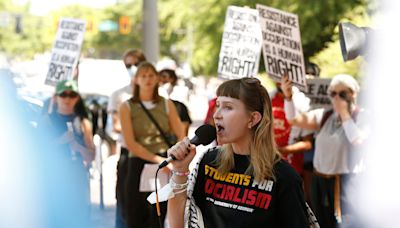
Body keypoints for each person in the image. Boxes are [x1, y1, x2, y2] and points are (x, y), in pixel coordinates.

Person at [167, 77, 317, 227]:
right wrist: (180, 171)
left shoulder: (284, 177)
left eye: (228, 107)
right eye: (217, 105)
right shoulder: (209, 161)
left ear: (253, 118)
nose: (216, 115)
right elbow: (178, 224)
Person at [282, 74, 369, 228]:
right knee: (321, 222)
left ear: (353, 94)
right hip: (320, 180)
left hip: (345, 183)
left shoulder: (362, 116)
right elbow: (294, 120)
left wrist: (345, 114)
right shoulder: (325, 115)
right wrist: (288, 97)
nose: (337, 98)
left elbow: (358, 141)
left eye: (342, 94)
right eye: (333, 93)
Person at [119, 62, 185, 228]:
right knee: (134, 213)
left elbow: (181, 135)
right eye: (143, 75)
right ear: (136, 80)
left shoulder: (166, 104)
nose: (147, 79)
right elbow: (130, 143)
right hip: (138, 163)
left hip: (164, 163)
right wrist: (158, 160)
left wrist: (173, 158)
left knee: (157, 215)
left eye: (151, 75)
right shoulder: (126, 106)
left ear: (157, 79)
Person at [39, 79, 95, 226]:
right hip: (54, 175)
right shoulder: (46, 120)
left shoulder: (84, 123)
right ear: (55, 97)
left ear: (77, 98)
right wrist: (60, 141)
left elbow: (91, 155)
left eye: (72, 95)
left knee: (79, 216)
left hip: (77, 175)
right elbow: (38, 150)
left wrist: (79, 148)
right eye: (63, 95)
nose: (67, 99)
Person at [107, 48, 146, 228]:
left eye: (136, 64)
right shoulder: (119, 95)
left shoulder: (159, 96)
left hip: (151, 156)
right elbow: (115, 125)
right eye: (128, 65)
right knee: (125, 204)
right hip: (128, 154)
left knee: (151, 205)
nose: (133, 68)